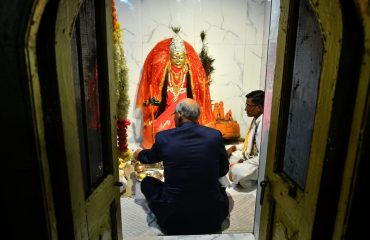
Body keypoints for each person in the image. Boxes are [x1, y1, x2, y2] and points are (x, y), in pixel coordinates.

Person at [133, 98, 229, 235]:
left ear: (179, 115)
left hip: (173, 220)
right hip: (211, 218)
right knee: (220, 187)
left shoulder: (164, 137)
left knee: (147, 182)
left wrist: (138, 154)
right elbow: (223, 170)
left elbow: (149, 158)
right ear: (197, 116)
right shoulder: (214, 136)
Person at [135, 33, 214, 149]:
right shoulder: (164, 71)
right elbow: (156, 97)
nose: (178, 60)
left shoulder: (190, 72)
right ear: (170, 56)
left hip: (186, 112)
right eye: (175, 57)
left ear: (185, 57)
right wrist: (151, 104)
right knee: (156, 129)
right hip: (168, 111)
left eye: (181, 57)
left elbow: (198, 94)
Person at [227, 90, 264, 188]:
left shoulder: (263, 126)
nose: (245, 109)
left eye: (248, 105)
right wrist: (234, 148)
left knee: (235, 170)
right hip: (251, 157)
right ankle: (245, 179)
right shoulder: (256, 119)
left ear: (259, 107)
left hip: (259, 163)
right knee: (227, 155)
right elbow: (251, 144)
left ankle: (249, 181)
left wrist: (243, 163)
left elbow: (263, 157)